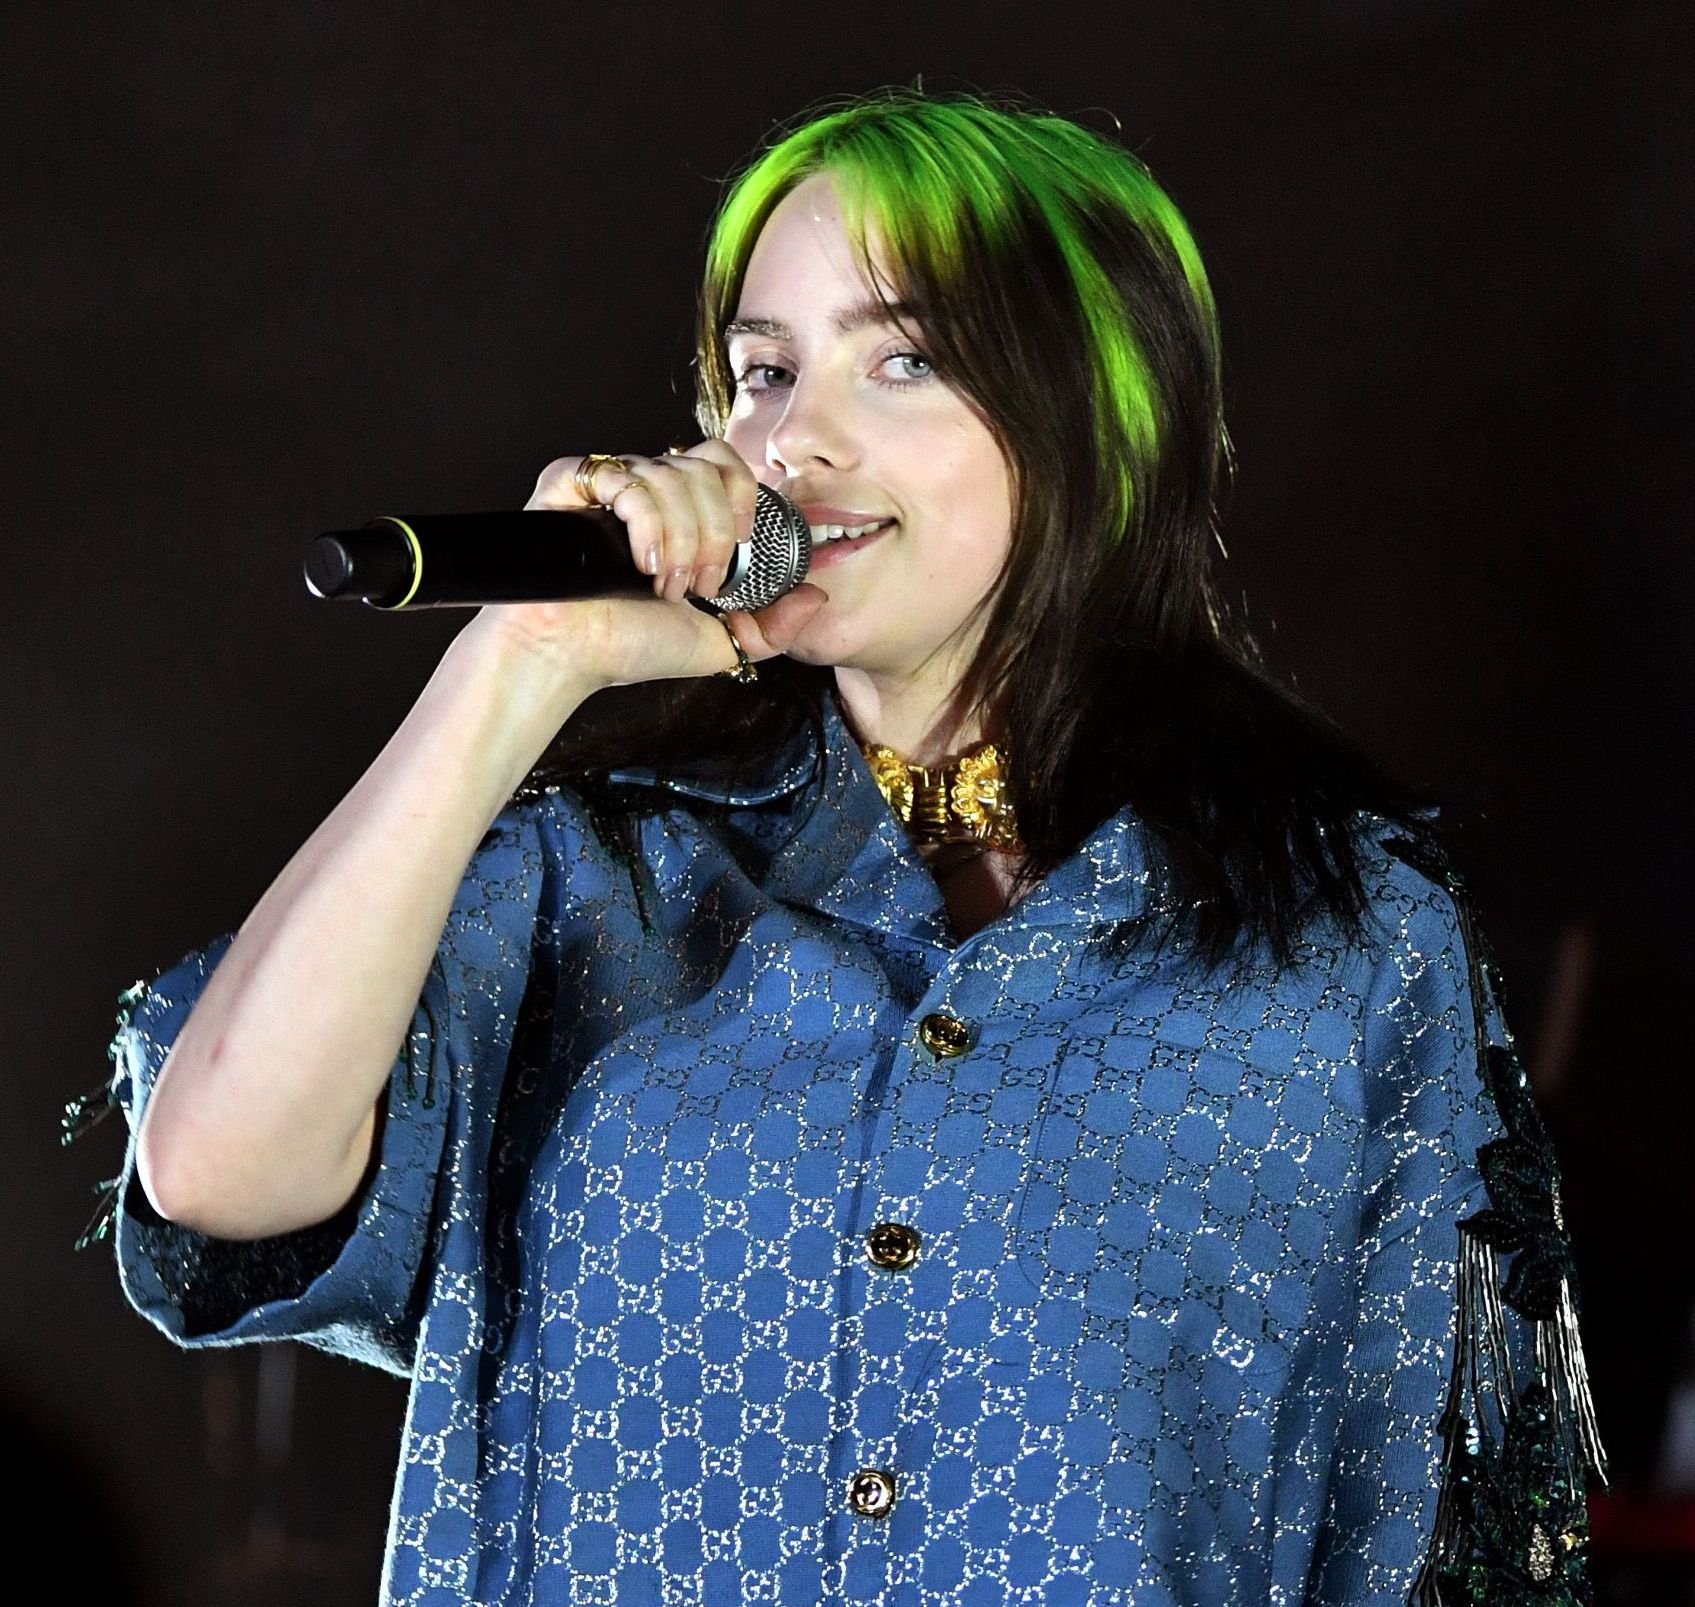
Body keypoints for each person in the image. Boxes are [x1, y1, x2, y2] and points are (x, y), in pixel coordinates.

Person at [74, 86, 1606, 1604]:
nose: (792, 440)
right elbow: (217, 1171)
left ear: (1099, 408)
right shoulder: (593, 884)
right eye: (758, 373)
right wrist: (516, 667)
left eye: (905, 361)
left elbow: (1455, 1536)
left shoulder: (1344, 940)